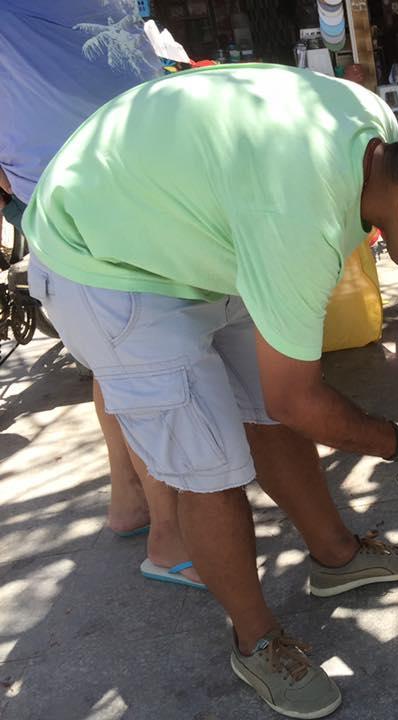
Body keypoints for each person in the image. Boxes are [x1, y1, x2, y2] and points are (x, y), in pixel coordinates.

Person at [25, 65, 398, 718]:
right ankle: (256, 641)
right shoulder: (298, 219)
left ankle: (336, 557)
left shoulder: (376, 131)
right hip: (107, 264)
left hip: (193, 232)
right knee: (211, 469)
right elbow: (299, 400)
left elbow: (281, 406)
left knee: (266, 412)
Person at [0, 0, 204, 586]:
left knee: (119, 365)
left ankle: (132, 504)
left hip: (124, 188)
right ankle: (171, 538)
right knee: (147, 363)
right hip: (84, 205)